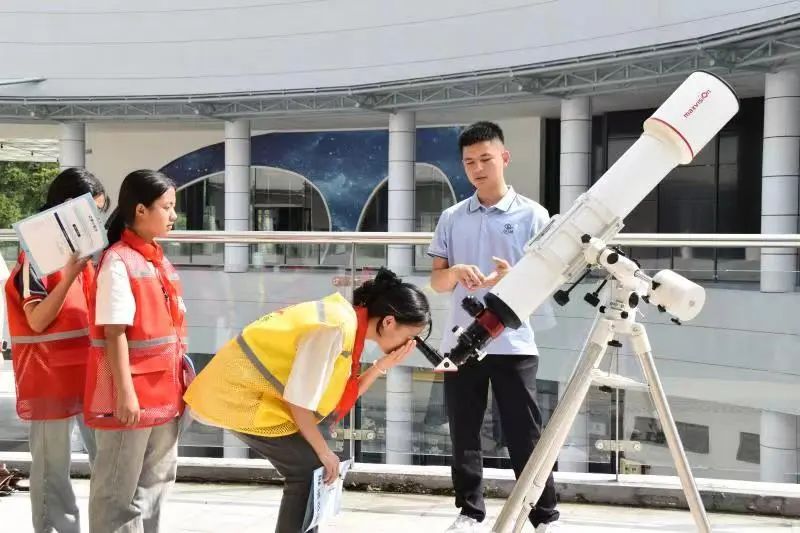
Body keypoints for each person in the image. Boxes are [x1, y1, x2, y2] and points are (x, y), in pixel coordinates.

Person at [184, 268, 431, 533]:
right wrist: (325, 452)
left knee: (313, 469)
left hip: (250, 398)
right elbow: (299, 403)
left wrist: (381, 366)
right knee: (310, 469)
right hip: (236, 397)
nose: (408, 344)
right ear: (389, 322)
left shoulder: (346, 323)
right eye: (409, 336)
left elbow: (335, 396)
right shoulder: (335, 329)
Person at [429, 122, 560, 532]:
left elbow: (550, 279)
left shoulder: (533, 215)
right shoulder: (451, 217)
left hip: (515, 341)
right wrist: (456, 272)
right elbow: (436, 280)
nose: (478, 168)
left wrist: (512, 278)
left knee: (526, 435)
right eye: (469, 162)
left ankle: (544, 515)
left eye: (486, 159)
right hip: (460, 342)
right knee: (463, 433)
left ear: (504, 158)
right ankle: (470, 512)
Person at [4, 167, 108, 533]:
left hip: (87, 371)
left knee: (106, 462)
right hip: (49, 377)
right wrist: (69, 274)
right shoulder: (35, 258)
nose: (97, 221)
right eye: (92, 212)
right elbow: (37, 321)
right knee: (52, 468)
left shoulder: (91, 261)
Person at [84, 169, 187, 533]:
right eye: (167, 207)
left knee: (154, 488)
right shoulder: (119, 261)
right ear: (140, 210)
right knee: (117, 494)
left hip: (164, 395)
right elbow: (115, 333)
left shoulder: (153, 258)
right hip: (132, 399)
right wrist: (125, 395)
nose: (174, 215)